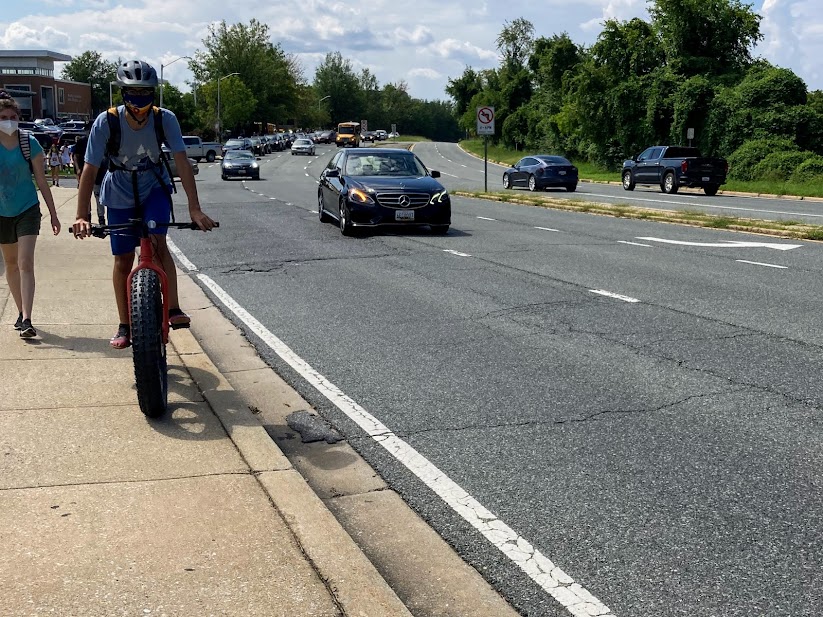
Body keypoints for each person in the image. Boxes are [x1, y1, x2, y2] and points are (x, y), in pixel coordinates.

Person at [72, 59, 214, 349]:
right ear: (123, 93)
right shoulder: (107, 121)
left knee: (158, 243)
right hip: (119, 191)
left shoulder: (165, 119)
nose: (140, 99)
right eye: (133, 92)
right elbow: (89, 168)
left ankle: (173, 307)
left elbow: (182, 163)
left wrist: (195, 208)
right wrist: (82, 214)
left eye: (145, 92)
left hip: (154, 187)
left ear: (153, 92)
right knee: (123, 259)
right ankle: (125, 323)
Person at [0, 91, 61, 338]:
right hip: (2, 213)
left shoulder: (29, 143)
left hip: (27, 209)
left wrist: (53, 214)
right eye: (4, 117)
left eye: (13, 116)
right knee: (11, 264)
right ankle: (20, 311)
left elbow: (42, 181)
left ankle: (27, 318)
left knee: (25, 263)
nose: (9, 121)